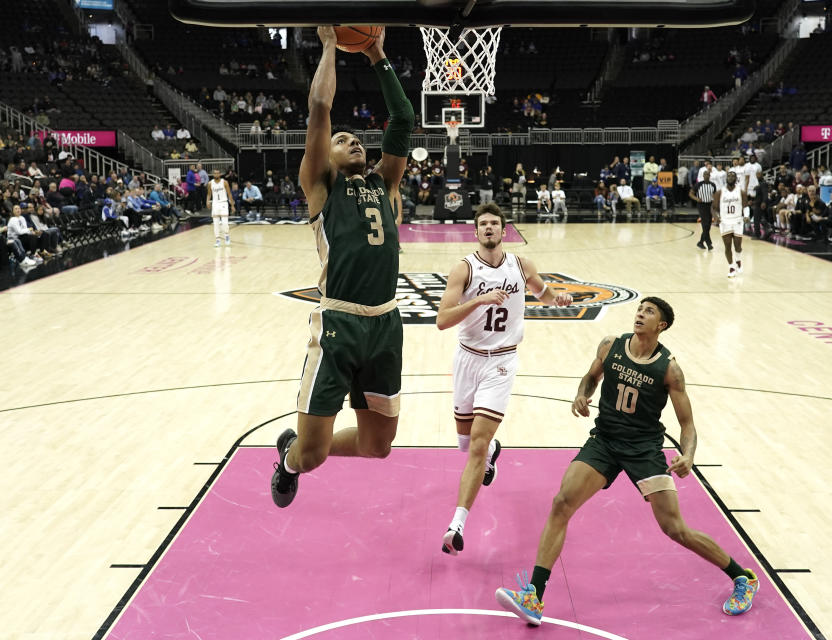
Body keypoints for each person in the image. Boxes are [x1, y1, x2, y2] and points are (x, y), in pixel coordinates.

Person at [494, 298, 759, 626]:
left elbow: (687, 425)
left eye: (649, 312)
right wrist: (582, 393)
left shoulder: (669, 369)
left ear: (661, 325)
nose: (640, 314)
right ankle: (534, 595)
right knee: (562, 503)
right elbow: (590, 378)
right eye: (640, 309)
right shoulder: (611, 345)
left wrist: (688, 455)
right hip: (604, 441)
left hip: (643, 450)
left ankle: (742, 577)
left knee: (674, 529)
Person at [270, 27, 414, 509]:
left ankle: (306, 443)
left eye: (357, 139)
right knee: (311, 457)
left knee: (379, 446)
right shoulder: (320, 185)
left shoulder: (386, 183)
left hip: (386, 323)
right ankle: (289, 458)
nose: (352, 141)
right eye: (342, 140)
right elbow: (319, 110)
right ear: (325, 156)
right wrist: (331, 44)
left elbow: (403, 117)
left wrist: (377, 54)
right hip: (338, 322)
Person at [435, 203, 572, 555]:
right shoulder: (463, 270)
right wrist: (479, 299)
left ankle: (457, 524)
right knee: (466, 445)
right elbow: (442, 320)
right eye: (483, 224)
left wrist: (559, 298)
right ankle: (495, 451)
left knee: (476, 445)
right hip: (468, 360)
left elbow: (543, 293)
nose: (489, 229)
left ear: (504, 230)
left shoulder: (521, 265)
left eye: (495, 224)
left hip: (501, 363)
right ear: (475, 232)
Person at [713, 170, 748, 277]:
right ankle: (731, 267)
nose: (731, 177)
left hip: (737, 220)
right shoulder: (720, 192)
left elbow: (745, 206)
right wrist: (716, 217)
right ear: (726, 178)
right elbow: (713, 208)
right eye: (729, 175)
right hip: (725, 221)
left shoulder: (741, 192)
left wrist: (746, 216)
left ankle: (738, 260)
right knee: (727, 246)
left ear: (736, 178)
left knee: (738, 246)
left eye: (733, 176)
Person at [206, 168, 235, 247]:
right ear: (213, 174)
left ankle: (227, 236)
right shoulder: (210, 183)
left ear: (220, 174)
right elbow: (209, 194)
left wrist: (232, 205)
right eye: (215, 173)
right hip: (215, 204)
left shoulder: (224, 182)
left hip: (223, 203)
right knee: (215, 223)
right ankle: (218, 240)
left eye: (218, 173)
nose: (216, 175)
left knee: (225, 223)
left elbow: (229, 194)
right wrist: (207, 201)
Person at [690, 176, 716, 250]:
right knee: (705, 224)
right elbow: (691, 194)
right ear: (703, 176)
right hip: (701, 205)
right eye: (705, 175)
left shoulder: (713, 185)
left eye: (708, 175)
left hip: (709, 205)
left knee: (708, 225)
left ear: (709, 176)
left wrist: (714, 204)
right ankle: (709, 243)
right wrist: (697, 199)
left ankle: (701, 242)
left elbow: (714, 195)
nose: (707, 176)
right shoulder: (698, 184)